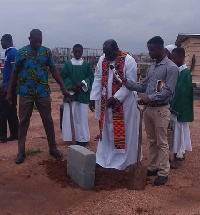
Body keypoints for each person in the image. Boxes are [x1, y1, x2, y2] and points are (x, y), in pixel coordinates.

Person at [6, 29, 71, 164]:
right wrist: (8, 92)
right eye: (35, 41)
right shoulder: (21, 53)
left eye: (40, 41)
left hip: (43, 93)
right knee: (23, 122)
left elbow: (53, 70)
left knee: (48, 120)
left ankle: (52, 148)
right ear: (29, 38)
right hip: (25, 93)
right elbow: (14, 73)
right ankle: (21, 152)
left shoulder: (46, 52)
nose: (37, 44)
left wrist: (63, 88)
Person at [125, 36, 179, 186]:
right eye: (149, 50)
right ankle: (154, 167)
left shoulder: (171, 68)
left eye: (152, 50)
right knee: (152, 140)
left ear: (161, 49)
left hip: (161, 109)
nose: (150, 53)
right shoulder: (152, 67)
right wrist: (128, 84)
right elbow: (145, 86)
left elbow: (168, 91)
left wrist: (150, 98)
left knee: (162, 142)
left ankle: (163, 172)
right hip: (149, 110)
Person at [89, 39, 139, 170]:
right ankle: (104, 159)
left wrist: (116, 98)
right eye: (105, 53)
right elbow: (98, 78)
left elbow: (131, 84)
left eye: (109, 54)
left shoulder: (128, 61)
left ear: (116, 50)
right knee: (106, 130)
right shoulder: (102, 60)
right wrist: (93, 98)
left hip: (125, 104)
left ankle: (123, 161)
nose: (107, 57)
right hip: (107, 103)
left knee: (123, 133)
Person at [60, 44, 94, 146]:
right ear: (73, 52)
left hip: (82, 94)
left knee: (82, 117)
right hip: (71, 94)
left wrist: (83, 83)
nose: (77, 54)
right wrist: (71, 86)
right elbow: (63, 77)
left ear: (82, 52)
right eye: (76, 52)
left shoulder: (86, 65)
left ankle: (82, 138)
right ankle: (71, 137)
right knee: (70, 116)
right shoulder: (67, 65)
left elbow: (91, 77)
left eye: (79, 52)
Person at [170, 48, 194, 163]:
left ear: (182, 57)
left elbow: (181, 92)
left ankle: (179, 155)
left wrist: (173, 107)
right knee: (174, 132)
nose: (172, 60)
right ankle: (176, 152)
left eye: (174, 58)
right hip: (174, 106)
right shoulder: (177, 70)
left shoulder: (185, 73)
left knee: (179, 132)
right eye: (171, 58)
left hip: (180, 109)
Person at [0, 34, 18, 143]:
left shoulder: (12, 53)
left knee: (3, 111)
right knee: (11, 110)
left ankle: (2, 135)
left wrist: (7, 88)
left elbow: (14, 72)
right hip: (8, 86)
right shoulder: (8, 52)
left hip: (9, 87)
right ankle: (15, 133)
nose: (1, 43)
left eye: (2, 41)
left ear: (7, 41)